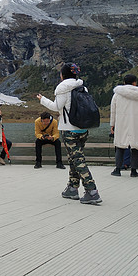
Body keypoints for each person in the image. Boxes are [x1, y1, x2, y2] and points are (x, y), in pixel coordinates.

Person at [37, 63, 101, 205]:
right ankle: (72, 188)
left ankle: (92, 191)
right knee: (74, 158)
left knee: (78, 160)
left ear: (63, 75)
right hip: (83, 128)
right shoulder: (82, 87)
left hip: (69, 129)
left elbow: (56, 107)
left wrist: (42, 99)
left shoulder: (62, 88)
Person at [110, 74, 138, 177]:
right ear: (134, 83)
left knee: (120, 145)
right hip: (136, 123)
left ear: (124, 82)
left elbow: (113, 111)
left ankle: (117, 169)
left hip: (121, 122)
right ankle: (133, 171)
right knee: (135, 146)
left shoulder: (117, 95)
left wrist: (112, 124)